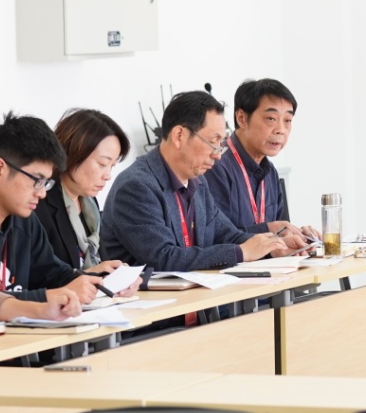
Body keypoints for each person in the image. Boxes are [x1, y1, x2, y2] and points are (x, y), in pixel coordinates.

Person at [0, 113, 130, 321]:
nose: (42, 193)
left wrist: (103, 281)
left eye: (46, 183)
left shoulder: (24, 218)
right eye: (37, 180)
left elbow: (54, 273)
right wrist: (46, 298)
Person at [101, 90, 293, 270]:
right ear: (179, 136)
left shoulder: (198, 183)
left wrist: (274, 247)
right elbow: (164, 258)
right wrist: (241, 253)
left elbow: (228, 235)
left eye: (221, 143)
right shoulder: (137, 186)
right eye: (213, 141)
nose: (218, 154)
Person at [202, 78, 315, 247]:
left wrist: (299, 236)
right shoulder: (215, 166)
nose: (281, 130)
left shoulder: (271, 172)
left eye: (287, 120)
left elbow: (280, 237)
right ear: (242, 118)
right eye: (271, 118)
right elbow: (214, 238)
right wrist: (268, 229)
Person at [35, 108, 131, 271]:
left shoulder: (89, 203)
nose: (107, 175)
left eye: (112, 166)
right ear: (73, 152)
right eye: (102, 164)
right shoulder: (39, 203)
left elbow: (100, 264)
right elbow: (40, 277)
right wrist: (89, 275)